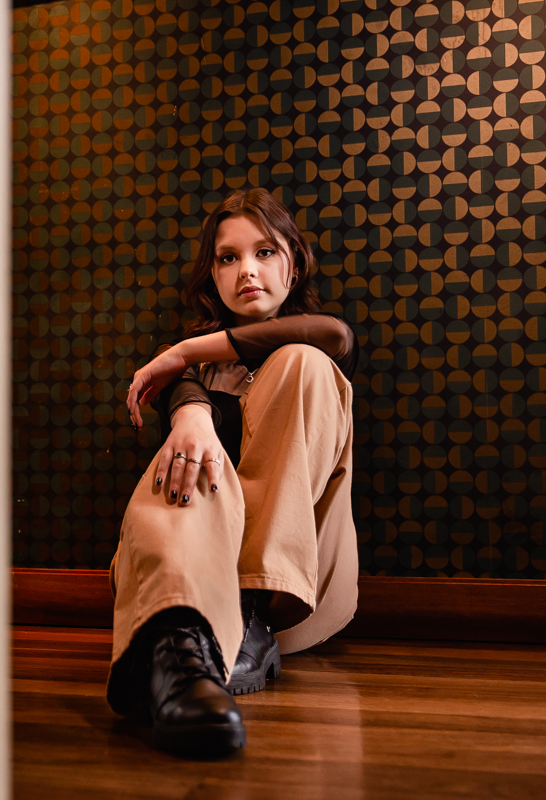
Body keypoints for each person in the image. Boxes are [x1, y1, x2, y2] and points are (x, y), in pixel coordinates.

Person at [107, 187, 359, 756]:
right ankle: (176, 642)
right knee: (185, 455)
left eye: (265, 252)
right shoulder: (188, 375)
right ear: (213, 276)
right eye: (228, 257)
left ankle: (244, 610)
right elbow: (185, 394)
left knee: (301, 362)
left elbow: (334, 335)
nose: (247, 269)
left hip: (295, 597)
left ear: (293, 267)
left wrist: (184, 352)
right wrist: (191, 411)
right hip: (191, 576)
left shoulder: (310, 354)